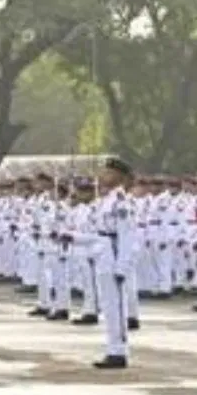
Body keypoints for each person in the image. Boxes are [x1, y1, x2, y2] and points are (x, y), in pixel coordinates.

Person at [65, 157, 136, 369]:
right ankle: (112, 348)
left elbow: (125, 236)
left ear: (119, 176)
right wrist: (73, 237)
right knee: (107, 305)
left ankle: (119, 351)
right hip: (103, 252)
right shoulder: (106, 201)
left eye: (108, 172)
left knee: (117, 306)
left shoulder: (121, 201)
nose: (103, 176)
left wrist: (122, 266)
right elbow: (99, 234)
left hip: (114, 254)